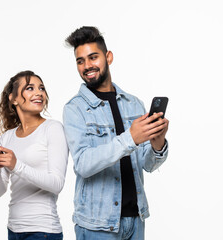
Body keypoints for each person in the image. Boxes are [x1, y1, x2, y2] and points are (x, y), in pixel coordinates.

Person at [63, 26, 169, 240]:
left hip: (136, 220)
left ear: (108, 57)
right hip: (97, 225)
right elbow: (83, 164)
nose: (87, 66)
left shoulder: (134, 104)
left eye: (93, 57)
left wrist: (158, 143)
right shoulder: (74, 109)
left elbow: (148, 165)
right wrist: (130, 138)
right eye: (80, 61)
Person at [0, 70, 68, 240]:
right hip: (14, 229)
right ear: (13, 98)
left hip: (43, 230)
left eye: (41, 88)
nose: (39, 93)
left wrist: (16, 165)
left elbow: (57, 184)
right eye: (30, 88)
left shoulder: (53, 128)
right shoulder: (7, 136)